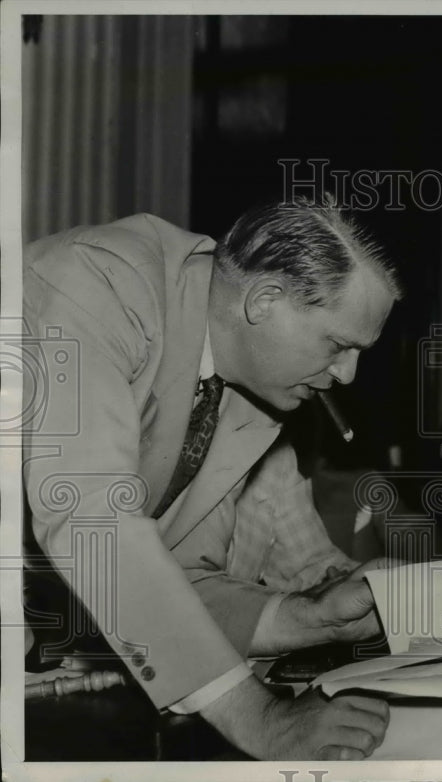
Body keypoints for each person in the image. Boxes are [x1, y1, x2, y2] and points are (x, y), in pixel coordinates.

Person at [22, 197, 401, 759]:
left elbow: (178, 581)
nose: (347, 374)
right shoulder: (98, 283)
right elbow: (92, 523)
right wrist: (263, 721)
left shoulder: (243, 389)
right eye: (339, 344)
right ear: (265, 299)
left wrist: (311, 617)